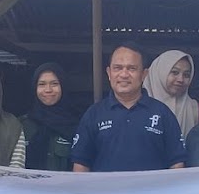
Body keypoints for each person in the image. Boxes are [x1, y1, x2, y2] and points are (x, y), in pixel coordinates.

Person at [72, 42, 187, 172]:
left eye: (131, 68)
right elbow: (81, 164)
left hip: (151, 192)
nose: (124, 74)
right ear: (109, 73)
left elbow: (177, 164)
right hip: (106, 192)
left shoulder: (162, 114)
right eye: (117, 68)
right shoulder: (94, 114)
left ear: (144, 74)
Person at [21, 62, 79, 171]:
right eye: (42, 84)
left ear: (63, 86)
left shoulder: (78, 125)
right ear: (34, 88)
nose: (48, 90)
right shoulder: (22, 125)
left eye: (54, 84)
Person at [143, 49, 199, 137]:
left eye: (186, 75)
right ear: (159, 72)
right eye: (175, 72)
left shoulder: (194, 108)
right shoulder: (138, 104)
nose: (180, 79)